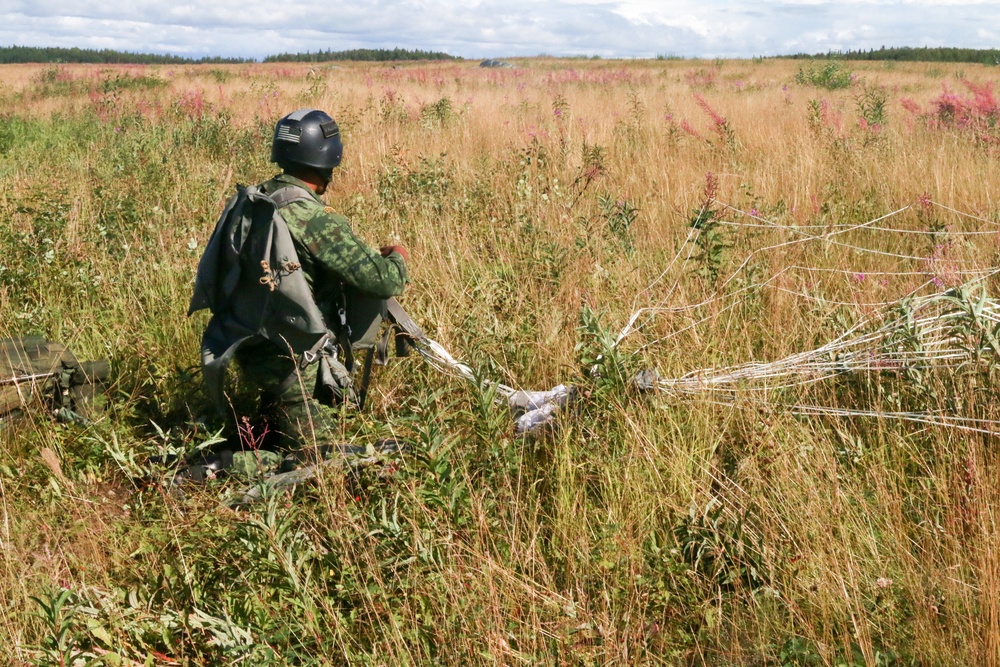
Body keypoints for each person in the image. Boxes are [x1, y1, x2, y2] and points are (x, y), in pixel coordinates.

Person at [193, 108, 408, 457]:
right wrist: (399, 255)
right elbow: (382, 281)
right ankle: (210, 469)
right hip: (295, 366)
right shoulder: (310, 216)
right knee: (319, 462)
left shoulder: (253, 199)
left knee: (268, 436)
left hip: (247, 348)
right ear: (328, 159)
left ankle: (260, 430)